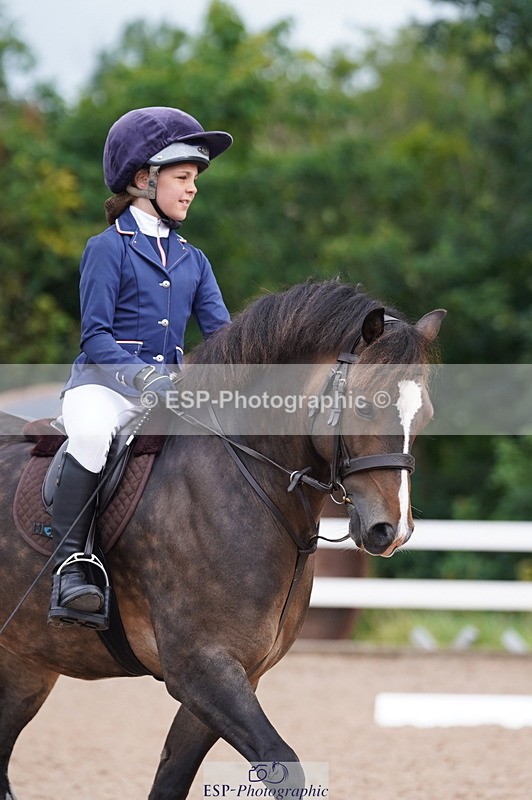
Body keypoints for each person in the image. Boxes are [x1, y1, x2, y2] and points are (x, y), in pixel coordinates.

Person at [48, 106, 232, 626]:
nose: (192, 188)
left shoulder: (194, 260)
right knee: (89, 436)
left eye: (194, 179)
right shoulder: (107, 249)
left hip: (168, 391)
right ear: (142, 180)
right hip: (104, 385)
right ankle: (72, 569)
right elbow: (95, 336)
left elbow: (222, 335)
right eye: (182, 177)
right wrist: (141, 376)